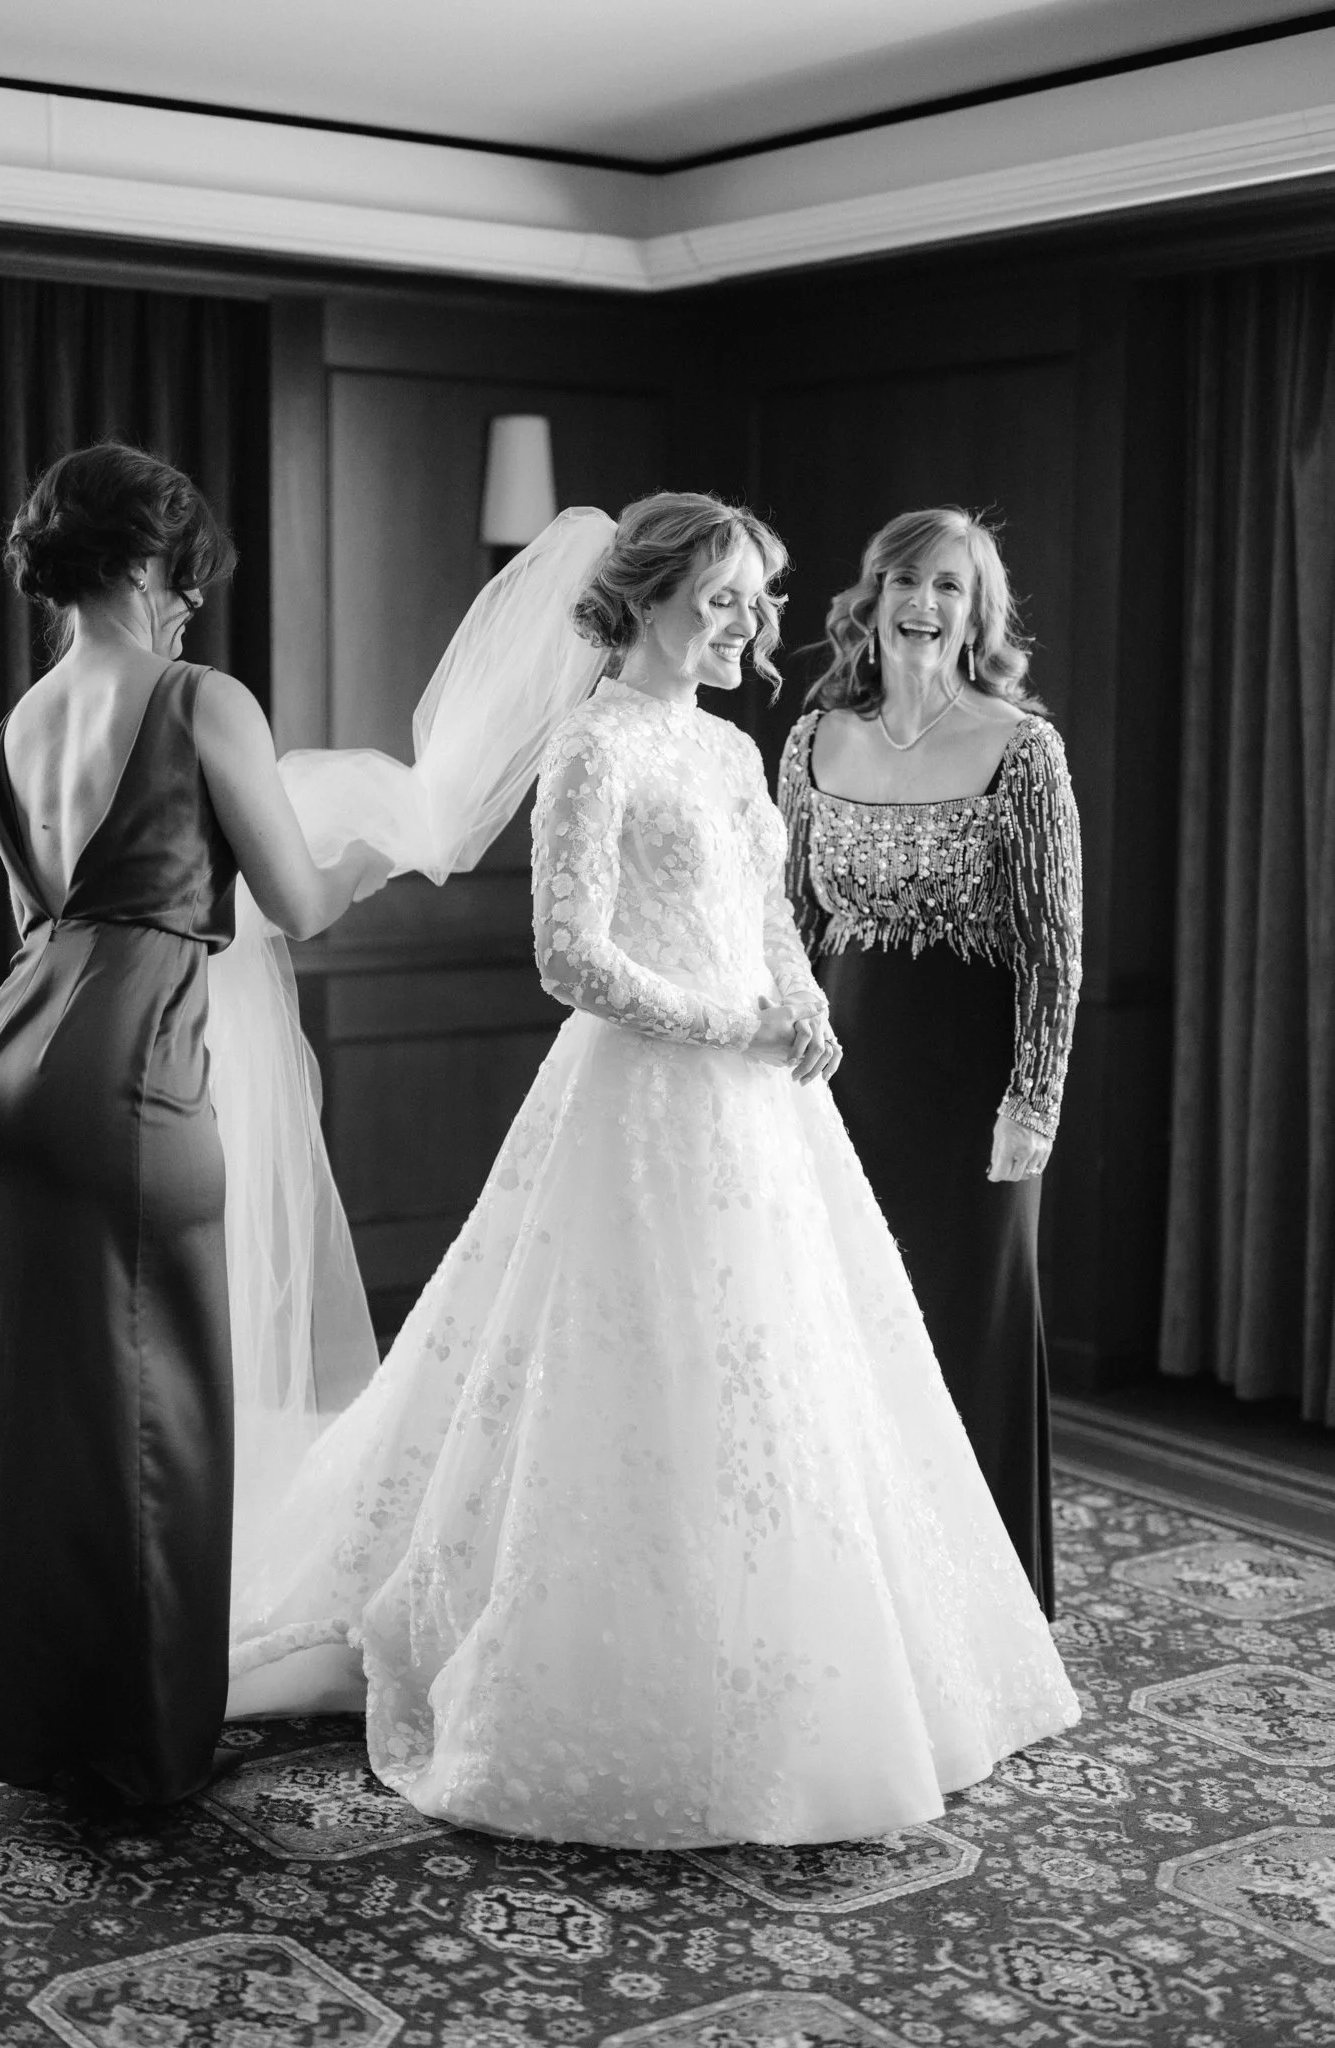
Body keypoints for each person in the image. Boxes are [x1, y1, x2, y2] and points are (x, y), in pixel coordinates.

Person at [230, 491, 1078, 1849]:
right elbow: (569, 958)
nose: (754, 623)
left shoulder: (733, 749)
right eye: (726, 597)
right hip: (639, 1103)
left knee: (793, 1377)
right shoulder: (594, 741)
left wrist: (801, 998)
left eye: (761, 599)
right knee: (636, 1370)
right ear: (650, 598)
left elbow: (768, 912)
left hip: (766, 1113)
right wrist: (735, 1024)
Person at [0, 442, 388, 1805]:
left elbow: (53, 914)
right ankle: (141, 1744)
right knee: (168, 1406)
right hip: (131, 1071)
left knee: (48, 1407)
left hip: (8, 1059)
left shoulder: (18, 723)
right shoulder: (201, 698)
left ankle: (39, 1721)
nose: (193, 602)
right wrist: (383, 839)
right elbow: (299, 902)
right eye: (185, 575)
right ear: (147, 560)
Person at [778, 507, 1081, 1615]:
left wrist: (1033, 1100)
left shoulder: (1023, 749)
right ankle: (868, 1598)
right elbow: (785, 921)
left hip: (972, 1085)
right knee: (847, 1322)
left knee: (968, 1322)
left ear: (978, 613)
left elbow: (1054, 944)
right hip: (837, 1076)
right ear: (873, 598)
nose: (925, 602)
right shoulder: (813, 738)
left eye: (950, 585)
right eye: (907, 579)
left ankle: (988, 1607)